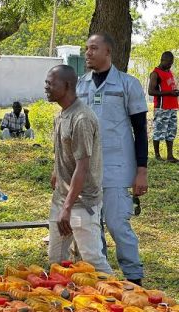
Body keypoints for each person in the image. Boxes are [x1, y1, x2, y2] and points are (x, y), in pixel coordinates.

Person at [77, 33, 148, 285]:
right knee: (91, 229)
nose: (88, 53)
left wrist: (142, 170)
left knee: (118, 225)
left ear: (108, 52)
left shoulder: (128, 84)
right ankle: (101, 280)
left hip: (118, 169)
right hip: (86, 172)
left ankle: (134, 278)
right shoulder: (80, 85)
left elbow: (140, 129)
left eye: (94, 48)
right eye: (86, 48)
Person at [45, 65, 113, 274]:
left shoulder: (81, 118)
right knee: (56, 261)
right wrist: (57, 172)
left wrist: (67, 208)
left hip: (82, 204)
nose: (46, 87)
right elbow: (67, 153)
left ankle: (123, 300)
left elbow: (82, 168)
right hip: (62, 200)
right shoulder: (61, 115)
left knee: (93, 261)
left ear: (66, 86)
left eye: (50, 83)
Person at [148, 51, 179, 162]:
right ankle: (157, 155)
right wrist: (169, 93)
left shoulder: (169, 72)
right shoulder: (155, 73)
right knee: (159, 131)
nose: (170, 65)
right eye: (169, 62)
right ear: (162, 60)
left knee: (171, 131)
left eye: (172, 63)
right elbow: (151, 91)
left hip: (173, 107)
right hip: (162, 107)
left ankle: (170, 156)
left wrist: (174, 92)